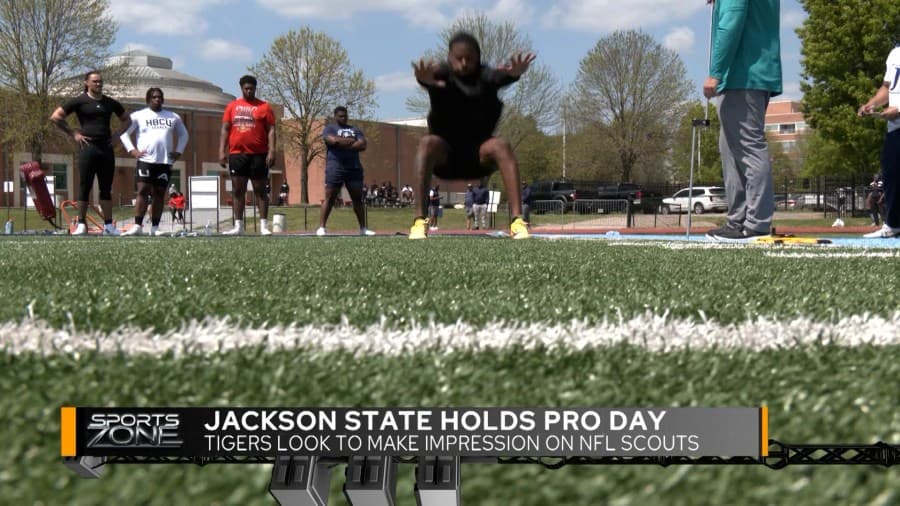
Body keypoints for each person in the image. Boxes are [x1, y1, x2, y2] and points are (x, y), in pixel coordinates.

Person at [408, 31, 535, 239]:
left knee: (501, 145)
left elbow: (498, 76)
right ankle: (419, 221)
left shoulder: (485, 76)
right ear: (450, 58)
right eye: (459, 58)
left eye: (470, 58)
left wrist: (514, 74)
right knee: (427, 143)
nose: (464, 63)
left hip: (478, 159)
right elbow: (430, 78)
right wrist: (423, 80)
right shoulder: (441, 75)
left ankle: (517, 221)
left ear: (478, 58)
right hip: (446, 159)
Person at [704, 0, 781, 241]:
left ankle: (756, 222)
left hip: (742, 76)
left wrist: (716, 72)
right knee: (730, 150)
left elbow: (731, 23)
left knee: (749, 147)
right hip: (749, 75)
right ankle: (738, 220)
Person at [50, 70, 132, 235]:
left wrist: (117, 135)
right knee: (84, 185)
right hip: (88, 148)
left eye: (100, 81)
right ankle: (81, 224)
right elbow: (56, 117)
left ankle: (108, 226)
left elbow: (127, 120)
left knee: (106, 188)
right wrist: (74, 134)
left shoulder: (110, 102)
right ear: (87, 83)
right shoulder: (79, 101)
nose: (98, 84)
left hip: (106, 148)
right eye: (95, 81)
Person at [119, 87, 189, 236]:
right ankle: (137, 225)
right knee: (143, 191)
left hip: (164, 162)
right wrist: (132, 150)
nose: (157, 99)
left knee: (159, 193)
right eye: (154, 97)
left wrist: (178, 151)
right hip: (146, 160)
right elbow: (124, 134)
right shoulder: (138, 115)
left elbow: (184, 135)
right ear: (148, 99)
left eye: (159, 97)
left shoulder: (173, 117)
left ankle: (155, 227)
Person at [218, 75, 276, 235]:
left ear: (255, 88)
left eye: (251, 88)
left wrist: (272, 150)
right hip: (237, 154)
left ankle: (263, 225)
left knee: (260, 190)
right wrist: (221, 150)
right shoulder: (232, 107)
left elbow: (271, 130)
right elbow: (225, 129)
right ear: (241, 88)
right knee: (238, 190)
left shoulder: (264, 107)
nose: (249, 91)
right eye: (246, 88)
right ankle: (238, 226)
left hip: (259, 154)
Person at [859, 45, 900, 238]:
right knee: (892, 174)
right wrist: (872, 104)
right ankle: (894, 224)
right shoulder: (895, 53)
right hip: (895, 129)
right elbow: (887, 87)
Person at [316, 106, 374, 237]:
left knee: (357, 199)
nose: (344, 118)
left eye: (345, 116)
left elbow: (362, 144)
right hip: (335, 167)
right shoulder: (329, 129)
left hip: (354, 168)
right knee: (330, 197)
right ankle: (321, 227)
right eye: (341, 116)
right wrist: (351, 142)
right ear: (335, 116)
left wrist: (341, 143)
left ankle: (363, 228)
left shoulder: (355, 130)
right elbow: (332, 140)